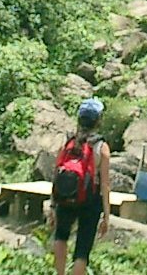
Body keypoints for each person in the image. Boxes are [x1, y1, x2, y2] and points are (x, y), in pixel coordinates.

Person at [50, 97, 111, 275]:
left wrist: (52, 204)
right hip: (90, 200)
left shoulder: (68, 141)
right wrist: (106, 215)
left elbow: (56, 173)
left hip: (65, 195)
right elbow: (105, 185)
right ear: (98, 120)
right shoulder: (101, 147)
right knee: (82, 251)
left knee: (61, 237)